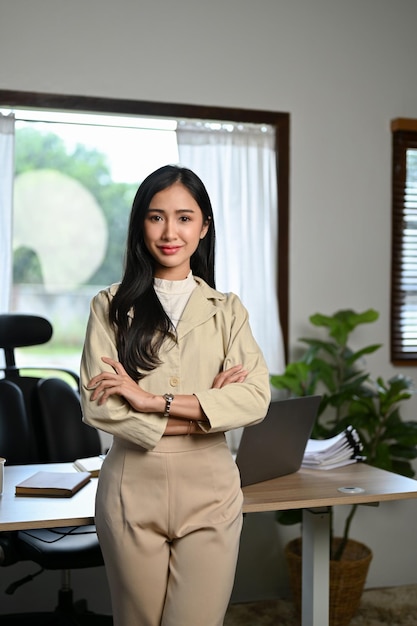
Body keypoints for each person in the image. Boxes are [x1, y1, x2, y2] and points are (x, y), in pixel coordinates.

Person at [80, 164, 271, 626]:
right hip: (131, 486)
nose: (170, 232)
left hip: (211, 491)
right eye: (156, 216)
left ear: (204, 227)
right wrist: (203, 411)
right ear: (140, 225)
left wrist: (148, 401)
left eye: (185, 218)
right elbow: (97, 403)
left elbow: (255, 398)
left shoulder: (228, 310)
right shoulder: (110, 305)